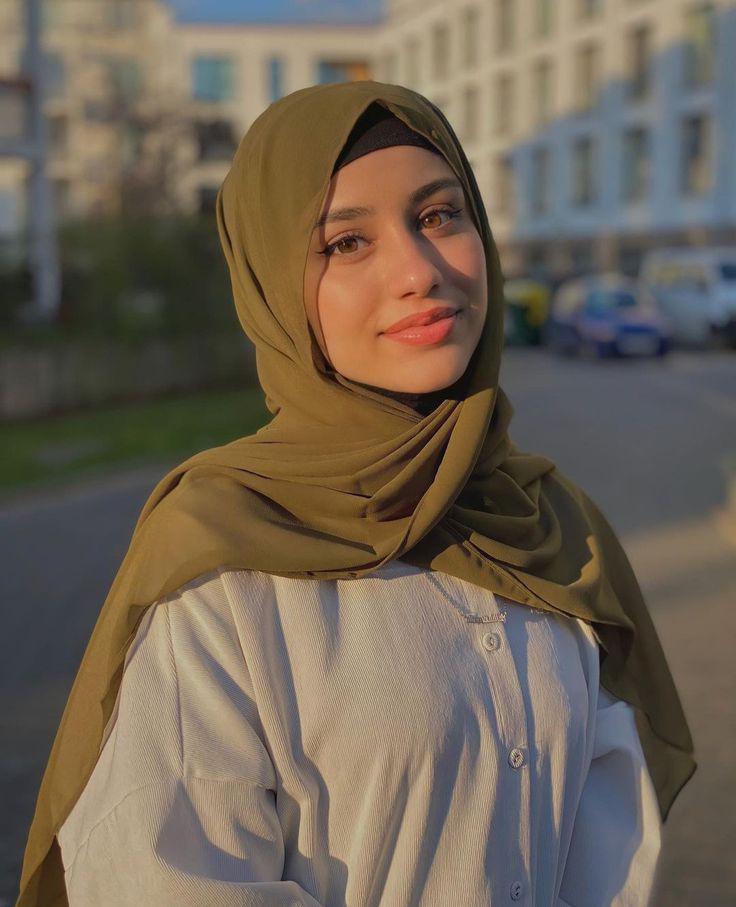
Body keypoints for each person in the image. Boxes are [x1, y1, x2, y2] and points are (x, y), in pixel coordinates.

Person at [16, 82, 695, 907]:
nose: (419, 271)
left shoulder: (553, 524)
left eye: (439, 215)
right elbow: (169, 882)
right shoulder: (222, 556)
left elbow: (605, 847)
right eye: (345, 242)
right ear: (273, 285)